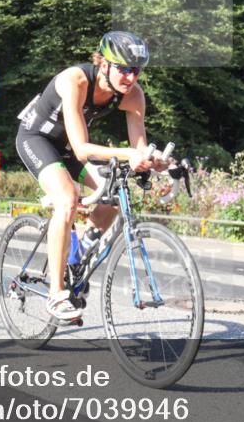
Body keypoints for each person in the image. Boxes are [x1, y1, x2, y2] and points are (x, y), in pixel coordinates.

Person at [16, 31, 169, 321]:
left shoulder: (133, 95)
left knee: (112, 196)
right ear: (103, 64)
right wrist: (129, 154)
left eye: (136, 70)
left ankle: (78, 252)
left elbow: (139, 148)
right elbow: (82, 149)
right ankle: (57, 294)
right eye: (123, 69)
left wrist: (154, 159)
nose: (130, 77)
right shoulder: (75, 80)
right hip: (38, 139)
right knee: (67, 199)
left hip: (72, 149)